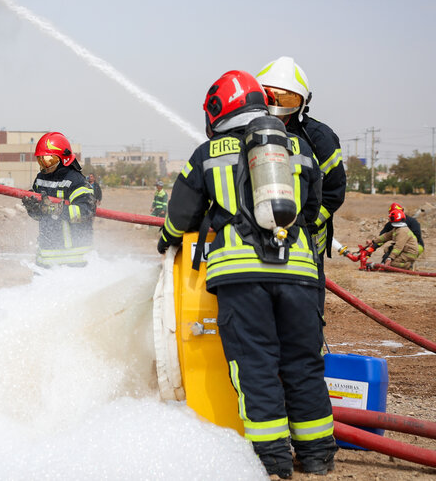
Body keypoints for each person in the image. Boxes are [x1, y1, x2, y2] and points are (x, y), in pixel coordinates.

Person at [157, 70, 336, 478]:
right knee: (303, 362)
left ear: (217, 109)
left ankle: (271, 460)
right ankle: (318, 456)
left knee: (255, 363)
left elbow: (181, 215)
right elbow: (311, 213)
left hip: (240, 276)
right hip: (300, 272)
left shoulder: (207, 153)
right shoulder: (300, 149)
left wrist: (165, 239)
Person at [257, 57, 346, 261]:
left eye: (287, 99)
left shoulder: (320, 139)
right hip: (258, 232)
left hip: (308, 240)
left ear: (303, 102)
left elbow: (334, 192)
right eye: (270, 97)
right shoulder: (251, 131)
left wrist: (307, 223)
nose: (277, 106)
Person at [22, 131, 95, 268]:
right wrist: (33, 209)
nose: (45, 165)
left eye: (49, 160)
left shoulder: (75, 180)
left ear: (63, 158)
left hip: (74, 259)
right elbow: (40, 215)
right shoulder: (40, 180)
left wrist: (53, 209)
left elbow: (86, 210)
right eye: (41, 160)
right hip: (46, 257)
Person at [365, 203, 425, 270]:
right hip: (403, 247)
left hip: (413, 248)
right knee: (388, 250)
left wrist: (390, 258)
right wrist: (373, 242)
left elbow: (399, 246)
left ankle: (408, 265)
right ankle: (394, 262)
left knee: (390, 264)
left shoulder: (405, 228)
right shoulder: (396, 228)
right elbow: (385, 236)